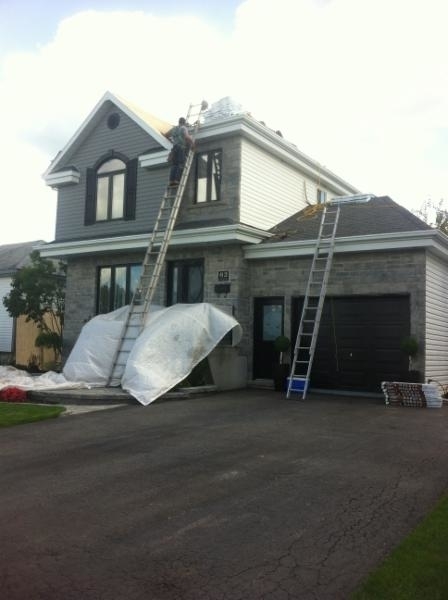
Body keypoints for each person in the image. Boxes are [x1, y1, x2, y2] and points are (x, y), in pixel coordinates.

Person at [168, 117, 195, 186]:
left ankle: (171, 180)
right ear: (184, 122)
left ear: (179, 122)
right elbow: (186, 136)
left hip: (174, 148)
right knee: (180, 164)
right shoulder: (183, 128)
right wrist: (192, 142)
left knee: (174, 165)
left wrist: (173, 141)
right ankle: (177, 180)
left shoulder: (174, 129)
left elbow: (167, 134)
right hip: (180, 148)